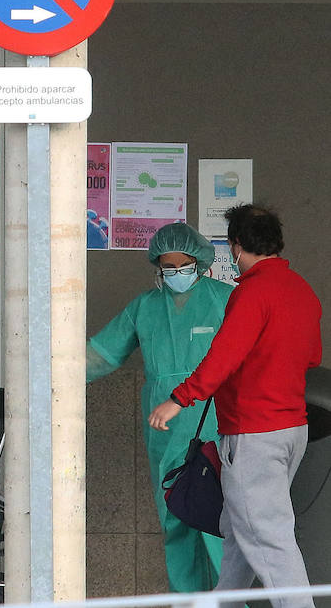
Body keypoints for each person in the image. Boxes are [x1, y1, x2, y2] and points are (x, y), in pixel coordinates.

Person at [149, 205, 322, 608]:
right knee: (239, 532)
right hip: (292, 429)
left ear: (237, 246)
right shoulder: (302, 290)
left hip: (253, 432)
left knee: (269, 538)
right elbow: (311, 356)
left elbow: (223, 356)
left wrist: (179, 399)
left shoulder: (251, 291)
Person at [87, 222, 231, 592]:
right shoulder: (145, 307)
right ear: (158, 267)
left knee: (219, 518)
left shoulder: (225, 299)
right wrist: (49, 376)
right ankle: (189, 599)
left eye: (183, 265)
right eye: (168, 267)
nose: (176, 274)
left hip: (215, 421)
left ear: (199, 262)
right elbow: (101, 354)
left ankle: (230, 600)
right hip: (164, 429)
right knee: (175, 515)